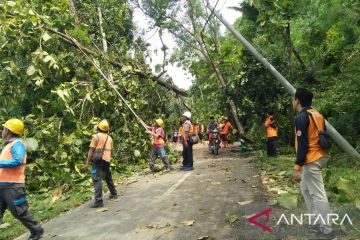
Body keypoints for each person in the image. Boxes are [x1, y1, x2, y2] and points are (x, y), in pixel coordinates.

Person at [292, 88, 333, 239]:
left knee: (318, 194)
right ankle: (314, 220)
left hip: (312, 159)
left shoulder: (302, 117)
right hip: (321, 156)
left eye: (293, 99)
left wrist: (297, 168)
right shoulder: (318, 114)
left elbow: (302, 144)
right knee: (306, 189)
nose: (293, 101)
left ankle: (327, 229)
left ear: (298, 100)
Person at [0, 119, 44, 240]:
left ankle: (36, 229)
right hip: (3, 185)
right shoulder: (8, 145)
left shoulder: (17, 144)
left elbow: (17, 161)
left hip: (13, 186)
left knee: (19, 211)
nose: (2, 131)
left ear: (8, 131)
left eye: (4, 129)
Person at [84, 119, 117, 208]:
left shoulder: (96, 137)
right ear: (107, 130)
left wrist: (87, 163)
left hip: (97, 161)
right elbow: (111, 150)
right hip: (106, 160)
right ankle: (114, 193)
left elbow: (91, 150)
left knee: (96, 179)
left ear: (98, 128)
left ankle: (98, 201)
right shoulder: (110, 138)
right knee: (108, 177)